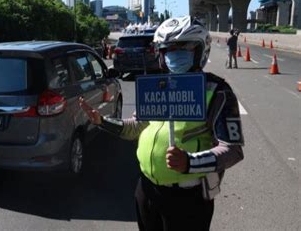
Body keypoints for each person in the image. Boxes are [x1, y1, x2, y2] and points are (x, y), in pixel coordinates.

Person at [79, 16, 244, 231]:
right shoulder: (158, 86)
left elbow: (233, 150)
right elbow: (135, 127)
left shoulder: (216, 91)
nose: (174, 55)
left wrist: (189, 162)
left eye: (183, 48)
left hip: (188, 197)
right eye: (167, 50)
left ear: (200, 51)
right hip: (147, 189)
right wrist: (102, 121)